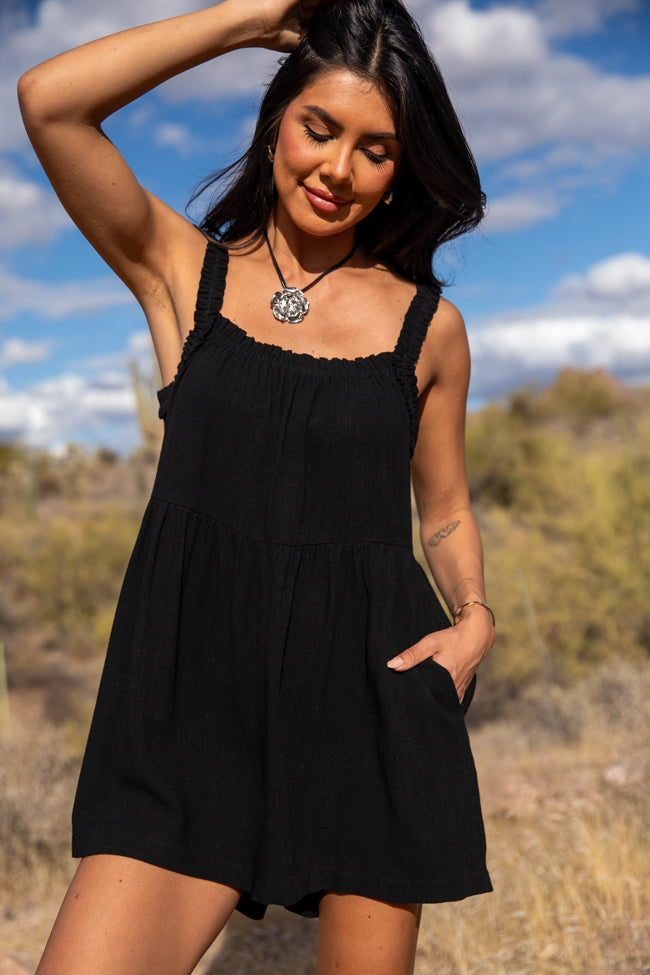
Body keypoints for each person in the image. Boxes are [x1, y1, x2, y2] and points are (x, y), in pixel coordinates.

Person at [18, 1, 495, 972]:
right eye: (319, 127)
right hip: (187, 713)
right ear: (277, 120)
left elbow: (442, 509)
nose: (337, 168)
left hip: (369, 705)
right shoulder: (180, 272)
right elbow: (49, 102)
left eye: (375, 150)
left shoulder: (428, 329)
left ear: (401, 170)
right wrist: (248, 18)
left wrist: (474, 618)